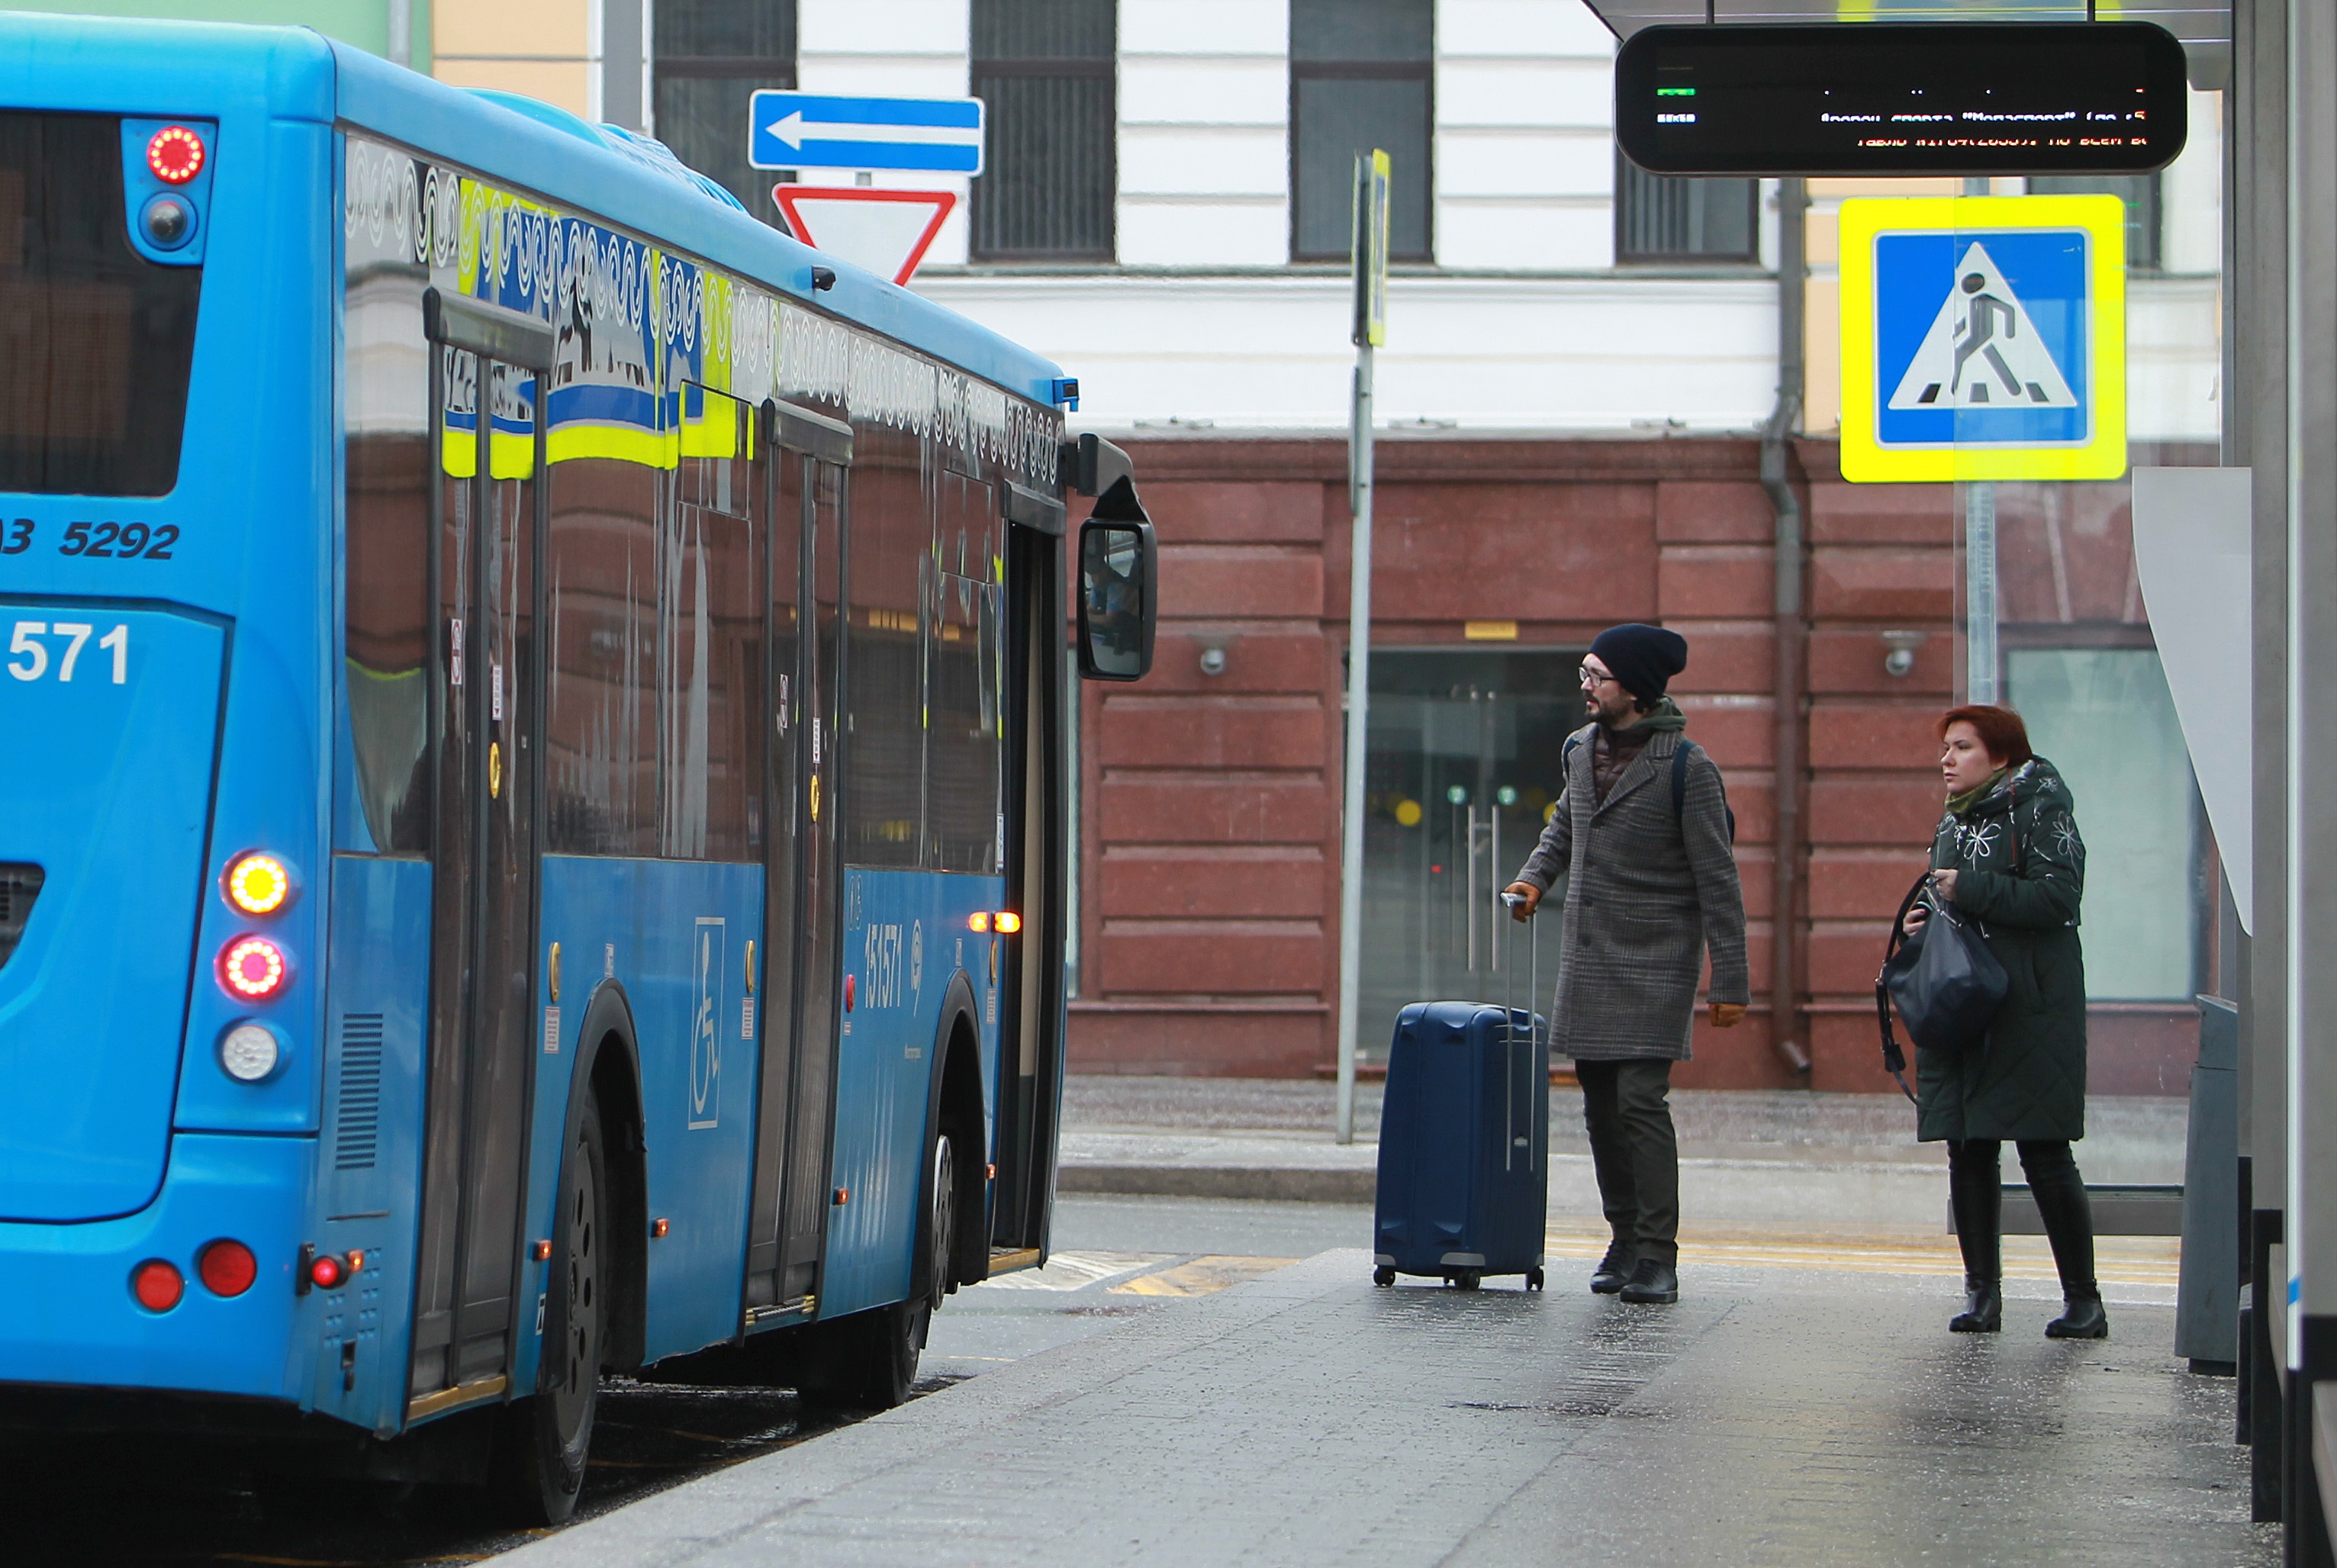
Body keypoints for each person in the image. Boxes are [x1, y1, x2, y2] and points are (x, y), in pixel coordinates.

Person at [1504, 623, 1748, 1306]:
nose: (1583, 687)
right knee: (1601, 1108)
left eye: (1595, 676)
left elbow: (1718, 879)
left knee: (1640, 1102)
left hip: (1655, 961)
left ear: (1634, 688)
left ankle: (1658, 1256)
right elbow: (1564, 826)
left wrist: (1729, 980)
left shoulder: (1686, 768)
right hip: (1587, 956)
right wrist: (1533, 879)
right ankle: (1623, 1237)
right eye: (1583, 673)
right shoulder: (1579, 750)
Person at [1902, 704, 2104, 1339]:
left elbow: (2057, 898)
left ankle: (2083, 1300)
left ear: (2001, 756)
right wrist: (1921, 921)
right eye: (1946, 748)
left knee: (2043, 1151)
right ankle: (1981, 1296)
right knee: (1967, 1145)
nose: (1947, 758)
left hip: (2028, 1010)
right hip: (1965, 1006)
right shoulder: (1952, 818)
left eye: (1961, 747)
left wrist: (1968, 890)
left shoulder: (2041, 807)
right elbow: (1949, 898)